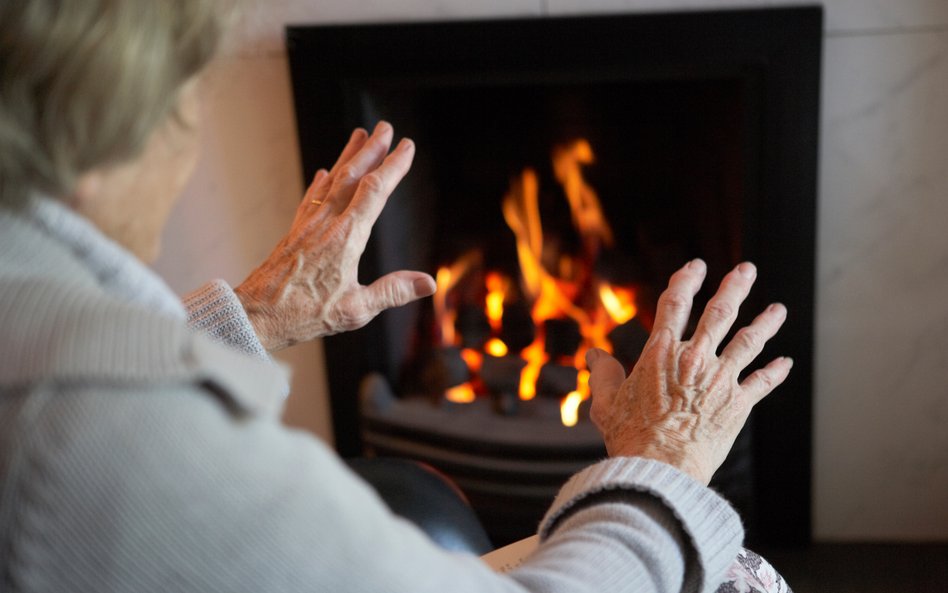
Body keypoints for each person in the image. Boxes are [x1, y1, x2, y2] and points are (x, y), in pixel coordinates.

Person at [0, 2, 793, 592]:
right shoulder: (105, 433)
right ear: (93, 150)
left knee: (415, 492)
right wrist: (664, 466)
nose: (191, 134)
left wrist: (252, 315)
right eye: (182, 104)